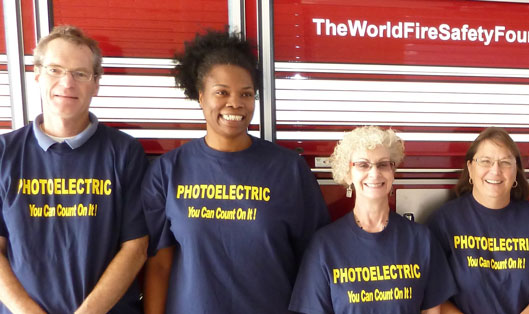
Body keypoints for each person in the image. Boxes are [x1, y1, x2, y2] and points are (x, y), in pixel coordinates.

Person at [141, 30, 330, 313]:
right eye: (222, 92)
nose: (235, 103)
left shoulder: (289, 169)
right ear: (201, 96)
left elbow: (315, 263)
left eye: (246, 94)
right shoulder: (168, 171)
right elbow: (159, 265)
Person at [0, 25, 149, 313]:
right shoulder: (4, 153)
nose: (67, 83)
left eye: (80, 74)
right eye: (55, 70)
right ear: (38, 74)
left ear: (96, 83)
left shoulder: (125, 152)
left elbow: (136, 248)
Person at [289, 126, 456, 313]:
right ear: (347, 173)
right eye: (363, 164)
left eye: (383, 164)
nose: (375, 173)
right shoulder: (324, 246)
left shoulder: (421, 240)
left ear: (393, 172)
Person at [427, 127, 529, 314]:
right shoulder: (443, 222)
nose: (495, 170)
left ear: (516, 170)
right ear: (470, 168)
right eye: (485, 161)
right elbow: (433, 295)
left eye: (505, 162)